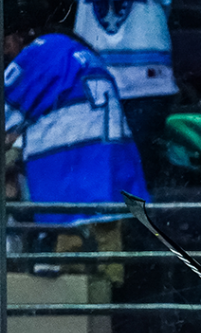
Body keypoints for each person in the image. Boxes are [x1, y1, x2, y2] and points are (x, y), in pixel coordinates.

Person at [42, 0, 177, 186]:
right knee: (100, 176)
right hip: (96, 88)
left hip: (146, 90)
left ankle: (140, 228)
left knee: (139, 178)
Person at [4, 31, 147, 266]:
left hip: (72, 185)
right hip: (109, 183)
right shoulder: (87, 58)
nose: (7, 53)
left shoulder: (42, 50)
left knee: (72, 283)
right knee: (100, 282)